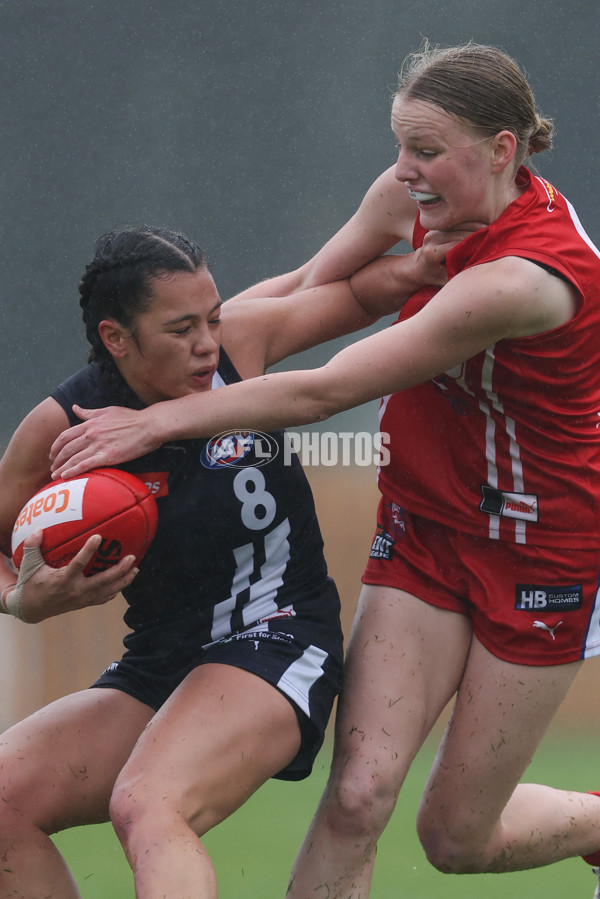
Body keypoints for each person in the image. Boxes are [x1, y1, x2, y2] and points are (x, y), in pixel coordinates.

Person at [49, 43, 600, 896]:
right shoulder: (403, 196)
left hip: (541, 553)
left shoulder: (524, 280)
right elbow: (304, 290)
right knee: (357, 794)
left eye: (426, 149)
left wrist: (155, 418)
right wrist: (164, 364)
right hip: (425, 531)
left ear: (502, 151)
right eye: (399, 144)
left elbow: (327, 389)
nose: (403, 171)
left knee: (456, 836)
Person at [0, 224, 458, 898]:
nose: (207, 342)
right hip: (163, 660)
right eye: (182, 327)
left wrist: (426, 262)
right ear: (115, 338)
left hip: (278, 635)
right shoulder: (63, 426)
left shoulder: (237, 347)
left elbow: (358, 294)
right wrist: (20, 598)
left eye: (212, 317)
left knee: (149, 799)